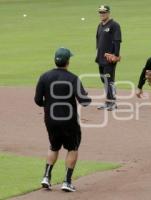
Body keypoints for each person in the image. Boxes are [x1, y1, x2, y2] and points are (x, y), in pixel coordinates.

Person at [34, 47, 91, 192]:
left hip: (50, 119)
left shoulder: (44, 76)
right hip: (68, 121)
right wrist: (87, 96)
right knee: (72, 148)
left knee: (54, 146)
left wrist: (48, 105)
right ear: (68, 62)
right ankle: (67, 181)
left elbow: (37, 100)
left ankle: (46, 177)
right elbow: (84, 101)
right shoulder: (72, 78)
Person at [95, 5, 122, 111]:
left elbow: (117, 41)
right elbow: (98, 42)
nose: (102, 14)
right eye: (100, 12)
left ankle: (113, 103)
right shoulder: (100, 25)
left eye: (104, 12)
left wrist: (115, 55)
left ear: (108, 13)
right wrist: (97, 54)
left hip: (109, 58)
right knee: (103, 79)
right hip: (100, 58)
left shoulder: (114, 25)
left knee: (109, 79)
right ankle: (108, 101)